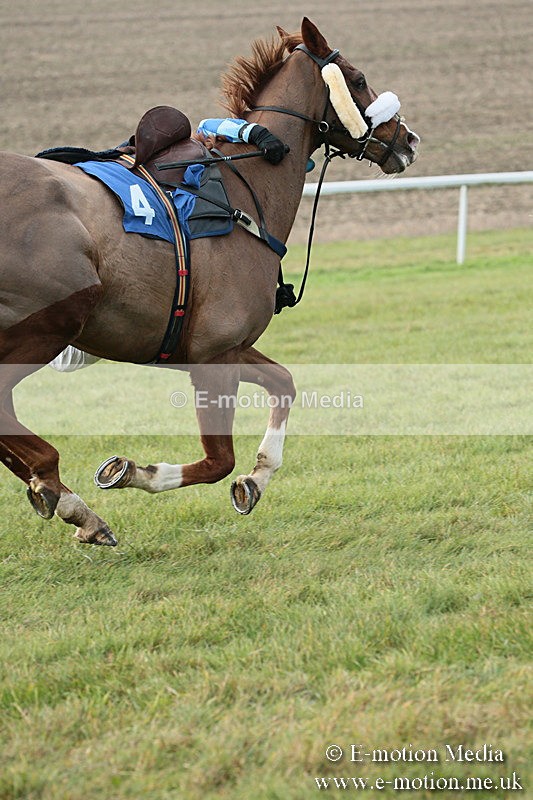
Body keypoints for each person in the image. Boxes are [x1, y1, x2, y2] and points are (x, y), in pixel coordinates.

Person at [49, 117, 287, 372]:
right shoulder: (190, 159)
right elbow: (210, 125)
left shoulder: (189, 160)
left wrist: (255, 134)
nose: (211, 142)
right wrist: (255, 133)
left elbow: (212, 126)